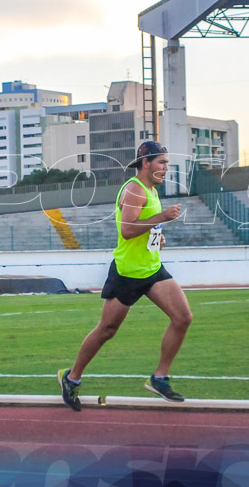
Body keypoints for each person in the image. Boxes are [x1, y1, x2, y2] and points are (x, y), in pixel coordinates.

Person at [58, 141, 190, 411]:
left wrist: (157, 238)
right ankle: (71, 378)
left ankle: (159, 378)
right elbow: (128, 231)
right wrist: (162, 217)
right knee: (107, 330)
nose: (166, 168)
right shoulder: (134, 189)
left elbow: (142, 229)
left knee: (183, 317)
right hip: (128, 272)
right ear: (146, 163)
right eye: (162, 163)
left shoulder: (151, 190)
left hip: (152, 269)